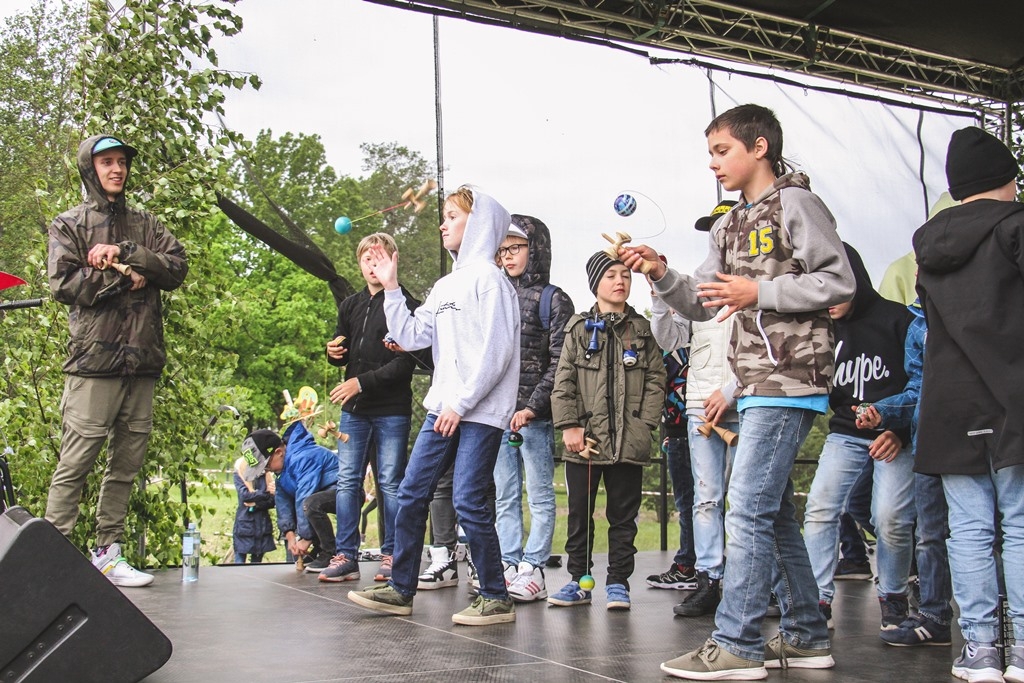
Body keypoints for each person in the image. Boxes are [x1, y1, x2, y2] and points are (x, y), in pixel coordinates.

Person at [619, 103, 854, 679]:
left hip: (791, 378)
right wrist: (659, 274)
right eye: (710, 154)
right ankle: (804, 635)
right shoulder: (726, 225)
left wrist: (761, 291)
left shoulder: (798, 204)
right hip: (752, 380)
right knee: (769, 515)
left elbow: (838, 280)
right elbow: (702, 300)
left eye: (722, 151)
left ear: (760, 148)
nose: (713, 164)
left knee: (744, 508)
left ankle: (739, 645)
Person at [347, 185, 521, 626]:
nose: (442, 223)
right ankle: (400, 590)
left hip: (477, 412)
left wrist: (460, 404)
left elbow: (495, 354)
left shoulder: (491, 282)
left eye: (452, 216)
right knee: (410, 492)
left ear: (477, 224)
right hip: (443, 408)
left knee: (467, 499)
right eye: (442, 216)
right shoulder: (446, 285)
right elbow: (409, 335)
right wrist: (390, 287)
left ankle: (496, 597)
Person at [45, 134, 188, 587]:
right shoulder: (68, 224)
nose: (117, 170)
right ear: (91, 167)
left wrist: (126, 254)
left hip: (141, 362)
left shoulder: (146, 223)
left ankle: (107, 552)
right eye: (107, 162)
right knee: (76, 463)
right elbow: (65, 284)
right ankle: (51, 560)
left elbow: (176, 268)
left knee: (126, 465)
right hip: (93, 363)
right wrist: (127, 278)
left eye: (122, 162)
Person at [912, 126, 1024, 683]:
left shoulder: (928, 243)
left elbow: (931, 323)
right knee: (1021, 525)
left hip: (950, 405)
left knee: (970, 531)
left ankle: (979, 650)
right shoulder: (1017, 227)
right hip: (1014, 398)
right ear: (1008, 177)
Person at [802, 242, 915, 633]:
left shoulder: (898, 319)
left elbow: (923, 383)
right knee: (819, 508)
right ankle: (817, 599)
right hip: (847, 435)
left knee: (891, 518)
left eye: (833, 286)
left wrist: (899, 430)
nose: (827, 298)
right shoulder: (823, 330)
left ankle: (894, 598)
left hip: (896, 437)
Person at [547, 251, 665, 610]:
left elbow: (657, 380)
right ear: (596, 283)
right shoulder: (578, 329)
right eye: (612, 275)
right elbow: (563, 380)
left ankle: (618, 583)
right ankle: (577, 582)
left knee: (623, 517)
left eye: (626, 275)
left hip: (628, 441)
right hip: (585, 442)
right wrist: (569, 426)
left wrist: (644, 425)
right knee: (580, 515)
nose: (620, 281)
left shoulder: (642, 331)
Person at [318, 232, 423, 583]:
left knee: (390, 483)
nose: (372, 266)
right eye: (367, 259)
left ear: (393, 262)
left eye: (379, 259)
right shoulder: (350, 304)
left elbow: (406, 363)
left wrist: (362, 382)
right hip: (354, 410)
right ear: (359, 263)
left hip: (391, 409)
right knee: (347, 481)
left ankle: (392, 554)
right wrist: (333, 354)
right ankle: (345, 555)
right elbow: (342, 352)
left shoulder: (406, 303)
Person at [652, 206, 741, 618]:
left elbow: (766, 352)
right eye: (711, 229)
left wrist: (731, 391)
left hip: (747, 402)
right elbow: (671, 339)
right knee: (707, 499)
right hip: (700, 408)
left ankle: (754, 582)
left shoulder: (755, 284)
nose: (716, 235)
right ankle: (710, 579)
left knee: (748, 501)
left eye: (722, 227)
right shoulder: (700, 287)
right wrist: (657, 294)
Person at [856, 296, 954, 647]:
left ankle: (1004, 631)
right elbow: (917, 392)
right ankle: (935, 617)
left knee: (993, 534)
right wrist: (883, 412)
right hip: (928, 439)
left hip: (982, 434)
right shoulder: (918, 325)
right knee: (929, 536)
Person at [494, 215, 573, 603]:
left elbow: (561, 362)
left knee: (539, 495)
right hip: (495, 416)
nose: (508, 256)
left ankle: (534, 568)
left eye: (516, 247)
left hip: (534, 418)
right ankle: (507, 562)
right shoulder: (492, 293)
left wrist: (531, 406)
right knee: (504, 494)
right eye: (503, 249)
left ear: (535, 249)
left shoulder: (553, 299)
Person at [645, 274, 697, 592]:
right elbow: (663, 330)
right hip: (677, 430)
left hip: (708, 424)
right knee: (686, 501)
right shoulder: (668, 336)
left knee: (707, 501)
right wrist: (657, 297)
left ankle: (700, 567)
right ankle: (687, 564)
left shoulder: (701, 328)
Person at [240, 423, 339, 570]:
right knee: (310, 504)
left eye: (266, 466)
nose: (266, 470)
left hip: (346, 493)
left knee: (310, 504)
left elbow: (304, 495)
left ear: (279, 452)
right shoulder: (282, 471)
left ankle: (330, 551)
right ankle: (320, 548)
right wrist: (290, 534)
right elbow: (283, 502)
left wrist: (305, 537)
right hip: (320, 495)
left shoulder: (303, 457)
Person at [231, 456, 276, 563]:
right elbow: (245, 496)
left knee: (257, 565)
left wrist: (256, 503)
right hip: (244, 525)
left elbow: (272, 501)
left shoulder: (266, 475)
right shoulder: (240, 474)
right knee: (240, 563)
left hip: (263, 525)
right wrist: (265, 494)